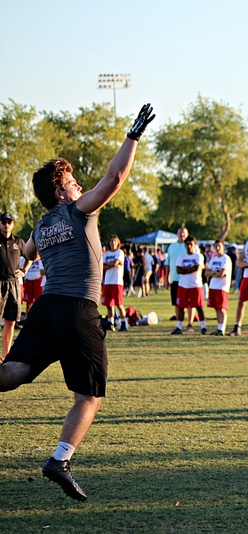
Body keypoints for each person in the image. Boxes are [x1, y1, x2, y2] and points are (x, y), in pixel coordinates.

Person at [0, 104, 154, 501]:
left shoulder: (40, 225)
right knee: (90, 395)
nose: (79, 186)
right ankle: (60, 460)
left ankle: (60, 460)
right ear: (60, 192)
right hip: (77, 308)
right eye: (71, 181)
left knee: (13, 371)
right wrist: (133, 136)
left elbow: (27, 255)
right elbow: (115, 178)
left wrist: (16, 274)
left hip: (47, 307)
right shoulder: (75, 211)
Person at [0, 212, 29, 360]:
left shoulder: (18, 241)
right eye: (3, 222)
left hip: (13, 284)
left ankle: (6, 356)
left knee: (11, 321)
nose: (6, 225)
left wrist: (24, 270)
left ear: (12, 224)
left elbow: (31, 255)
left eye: (9, 222)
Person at [172, 235, 207, 335]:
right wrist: (190, 269)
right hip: (183, 285)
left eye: (191, 244)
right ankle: (179, 327)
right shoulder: (181, 257)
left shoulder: (198, 256)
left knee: (199, 306)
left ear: (194, 245)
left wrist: (185, 269)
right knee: (181, 307)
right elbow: (178, 270)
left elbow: (197, 268)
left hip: (195, 285)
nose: (189, 246)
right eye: (187, 244)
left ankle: (203, 327)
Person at [205, 240, 232, 336]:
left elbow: (222, 274)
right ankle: (219, 328)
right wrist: (215, 272)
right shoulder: (213, 259)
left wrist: (214, 273)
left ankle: (222, 329)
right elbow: (206, 273)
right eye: (215, 246)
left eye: (219, 246)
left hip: (222, 287)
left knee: (222, 308)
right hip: (213, 286)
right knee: (216, 308)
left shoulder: (226, 259)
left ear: (223, 247)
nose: (217, 248)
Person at [101, 235, 128, 332]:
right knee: (109, 304)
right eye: (111, 241)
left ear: (118, 243)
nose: (113, 243)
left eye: (115, 241)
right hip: (108, 281)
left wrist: (109, 264)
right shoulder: (106, 254)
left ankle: (124, 323)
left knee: (119, 304)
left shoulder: (119, 252)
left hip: (117, 281)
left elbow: (116, 263)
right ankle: (110, 322)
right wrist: (111, 264)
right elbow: (102, 267)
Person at [166, 228, 189, 323]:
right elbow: (167, 264)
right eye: (180, 233)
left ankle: (188, 322)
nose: (182, 235)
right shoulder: (172, 246)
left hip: (188, 279)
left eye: (184, 233)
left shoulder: (191, 246)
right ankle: (179, 323)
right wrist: (166, 279)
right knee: (176, 302)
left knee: (188, 303)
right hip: (175, 278)